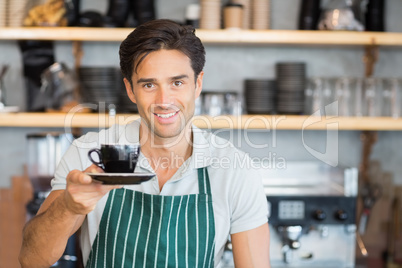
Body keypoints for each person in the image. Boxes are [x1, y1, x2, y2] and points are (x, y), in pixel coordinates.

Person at [19, 19, 270, 267]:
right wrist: (68, 207)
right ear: (130, 89)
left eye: (177, 83)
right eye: (149, 85)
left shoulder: (234, 169)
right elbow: (31, 260)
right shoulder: (89, 154)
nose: (164, 100)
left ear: (198, 84)